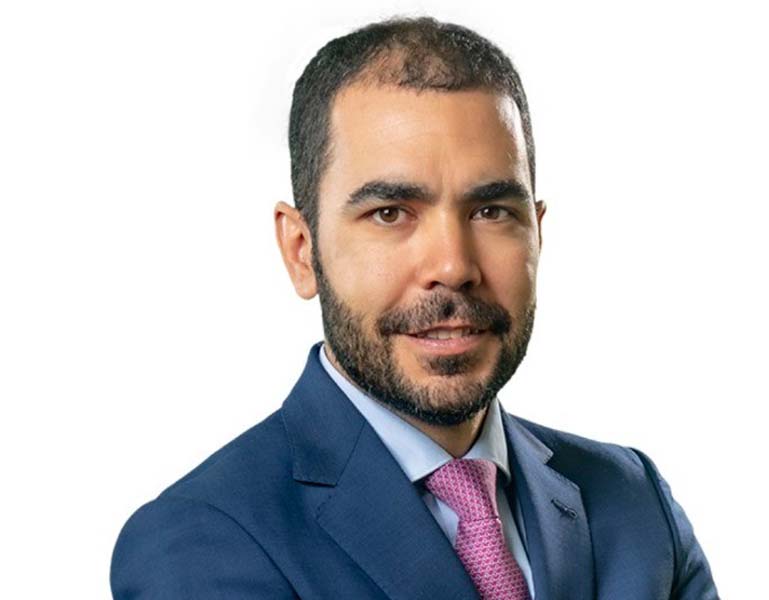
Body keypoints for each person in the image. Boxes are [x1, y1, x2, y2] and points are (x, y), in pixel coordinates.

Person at [110, 16, 718, 600]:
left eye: (491, 211)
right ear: (301, 251)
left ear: (537, 232)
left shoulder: (635, 503)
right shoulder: (201, 542)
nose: (452, 266)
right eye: (390, 213)